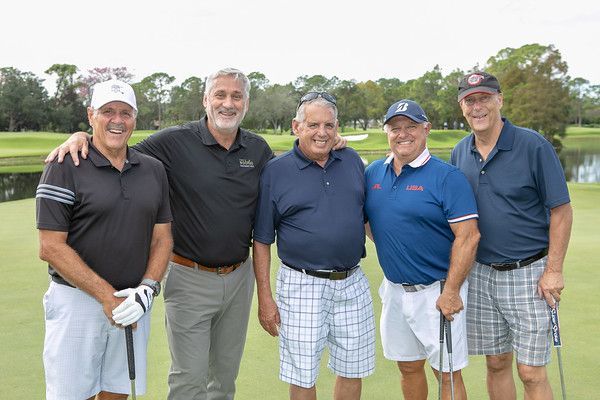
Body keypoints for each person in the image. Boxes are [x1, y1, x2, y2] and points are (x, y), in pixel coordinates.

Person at [46, 69, 348, 400]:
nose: (228, 103)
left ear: (246, 104)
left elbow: (295, 163)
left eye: (236, 96)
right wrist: (81, 136)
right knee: (189, 380)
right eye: (220, 95)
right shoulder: (173, 142)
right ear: (205, 100)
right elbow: (116, 145)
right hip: (189, 277)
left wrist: (328, 142)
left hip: (239, 279)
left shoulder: (257, 149)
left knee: (224, 378)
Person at [36, 79, 173, 400]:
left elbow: (163, 238)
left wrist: (147, 289)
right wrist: (107, 297)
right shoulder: (64, 165)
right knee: (72, 395)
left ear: (135, 118)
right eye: (107, 111)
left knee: (117, 392)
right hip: (76, 301)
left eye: (125, 113)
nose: (117, 120)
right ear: (91, 115)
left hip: (133, 300)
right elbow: (50, 247)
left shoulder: (153, 169)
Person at [451, 71, 573, 400]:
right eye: (469, 101)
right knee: (496, 363)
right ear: (462, 107)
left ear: (500, 100)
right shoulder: (460, 152)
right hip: (480, 273)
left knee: (531, 371)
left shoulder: (533, 145)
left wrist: (554, 270)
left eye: (484, 98)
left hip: (529, 273)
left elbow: (561, 210)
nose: (477, 107)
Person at [252, 92, 376, 400]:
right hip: (301, 284)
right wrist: (265, 298)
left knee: (352, 369)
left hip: (352, 282)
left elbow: (366, 218)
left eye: (329, 125)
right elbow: (262, 240)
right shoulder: (275, 171)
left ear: (337, 128)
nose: (322, 132)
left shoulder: (351, 160)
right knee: (302, 373)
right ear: (297, 127)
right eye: (313, 125)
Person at [364, 99, 480, 400]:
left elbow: (468, 237)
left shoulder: (447, 177)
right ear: (387, 132)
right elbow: (372, 224)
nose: (403, 134)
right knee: (408, 366)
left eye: (411, 127)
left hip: (437, 291)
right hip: (394, 290)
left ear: (426, 129)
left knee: (447, 374)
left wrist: (452, 291)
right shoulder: (373, 173)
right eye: (395, 128)